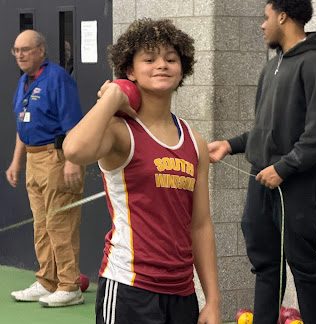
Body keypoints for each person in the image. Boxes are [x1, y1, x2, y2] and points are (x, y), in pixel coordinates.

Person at [63, 18, 221, 324]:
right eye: (149, 59)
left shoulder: (194, 142)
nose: (161, 65)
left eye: (171, 59)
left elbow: (200, 225)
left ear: (182, 69)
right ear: (130, 70)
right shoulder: (119, 132)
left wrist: (212, 300)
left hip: (181, 292)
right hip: (129, 289)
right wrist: (111, 99)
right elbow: (74, 150)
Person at [208, 0, 316, 323]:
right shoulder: (272, 67)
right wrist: (229, 144)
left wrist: (284, 168)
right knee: (266, 264)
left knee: (303, 265)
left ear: (283, 16)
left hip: (296, 183)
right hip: (262, 181)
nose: (261, 25)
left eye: (265, 17)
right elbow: (265, 130)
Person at [6, 29, 85, 307]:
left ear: (41, 50)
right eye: (16, 51)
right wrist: (17, 161)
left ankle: (68, 285)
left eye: (25, 49)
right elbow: (22, 123)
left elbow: (73, 124)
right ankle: (46, 280)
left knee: (59, 223)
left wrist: (73, 160)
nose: (20, 55)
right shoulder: (25, 81)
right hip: (33, 158)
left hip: (56, 157)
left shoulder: (57, 79)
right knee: (41, 224)